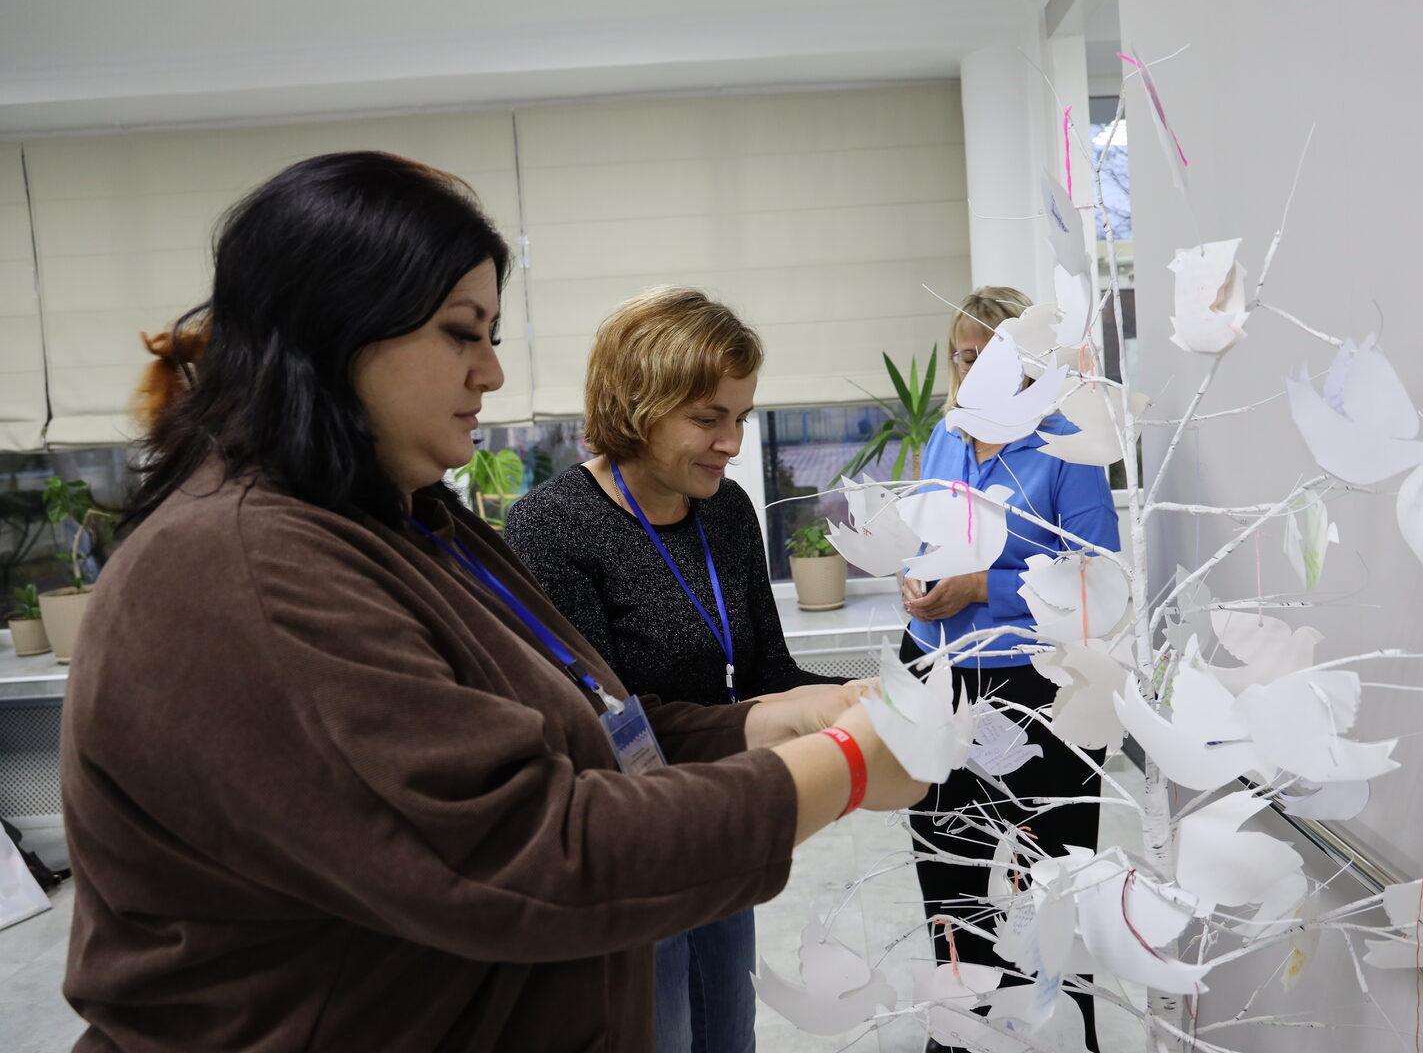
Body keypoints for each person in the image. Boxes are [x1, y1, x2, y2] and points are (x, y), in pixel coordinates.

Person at [58, 151, 926, 1053]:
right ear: (337, 328)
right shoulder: (249, 567)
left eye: (493, 337)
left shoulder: (410, 521)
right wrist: (845, 766)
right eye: (460, 333)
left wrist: (763, 723)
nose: (492, 374)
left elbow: (586, 731)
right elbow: (530, 854)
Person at [504, 287, 837, 1053]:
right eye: (708, 419)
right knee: (663, 1033)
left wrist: (856, 701)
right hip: (632, 848)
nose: (732, 443)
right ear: (637, 406)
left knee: (729, 1032)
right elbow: (597, 727)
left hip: (717, 821)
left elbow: (764, 669)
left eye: (741, 418)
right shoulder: (552, 527)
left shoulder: (726, 511)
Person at [900, 286, 1120, 1052]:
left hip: (1037, 689)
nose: (975, 371)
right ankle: (960, 1028)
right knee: (948, 867)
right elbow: (926, 534)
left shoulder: (1066, 445)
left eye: (993, 356)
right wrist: (915, 575)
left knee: (1045, 880)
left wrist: (981, 588)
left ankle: (1058, 1033)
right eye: (964, 356)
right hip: (938, 675)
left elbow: (1099, 584)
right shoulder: (947, 436)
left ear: (1030, 363)